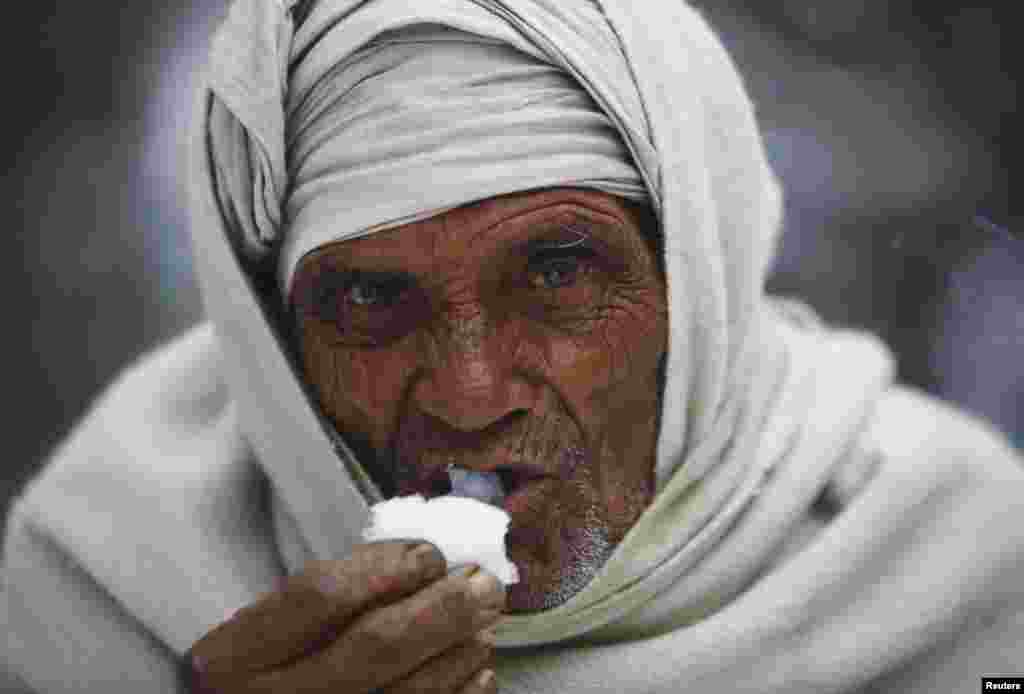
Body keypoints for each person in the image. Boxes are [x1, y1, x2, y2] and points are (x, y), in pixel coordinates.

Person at [3, 0, 1023, 691]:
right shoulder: (113, 578)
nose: (471, 390)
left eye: (557, 271)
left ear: (693, 283)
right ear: (271, 342)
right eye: (368, 295)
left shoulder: (946, 548)